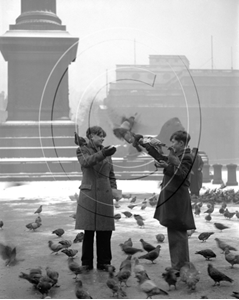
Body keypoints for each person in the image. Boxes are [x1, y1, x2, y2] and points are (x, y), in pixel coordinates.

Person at [75, 126, 117, 271]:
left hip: (105, 194)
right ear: (91, 136)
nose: (102, 138)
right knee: (89, 230)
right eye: (100, 135)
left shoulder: (107, 151)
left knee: (105, 230)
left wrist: (114, 190)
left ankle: (104, 262)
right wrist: (103, 153)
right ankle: (86, 263)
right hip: (90, 193)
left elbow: (111, 173)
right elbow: (86, 162)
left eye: (103, 135)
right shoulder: (82, 150)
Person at [153, 130, 196, 271]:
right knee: (173, 232)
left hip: (177, 199)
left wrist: (167, 166)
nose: (172, 144)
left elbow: (182, 174)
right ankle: (178, 266)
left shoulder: (187, 156)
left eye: (173, 142)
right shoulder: (179, 155)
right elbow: (173, 168)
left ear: (181, 143)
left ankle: (181, 267)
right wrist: (163, 164)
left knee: (178, 233)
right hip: (173, 197)